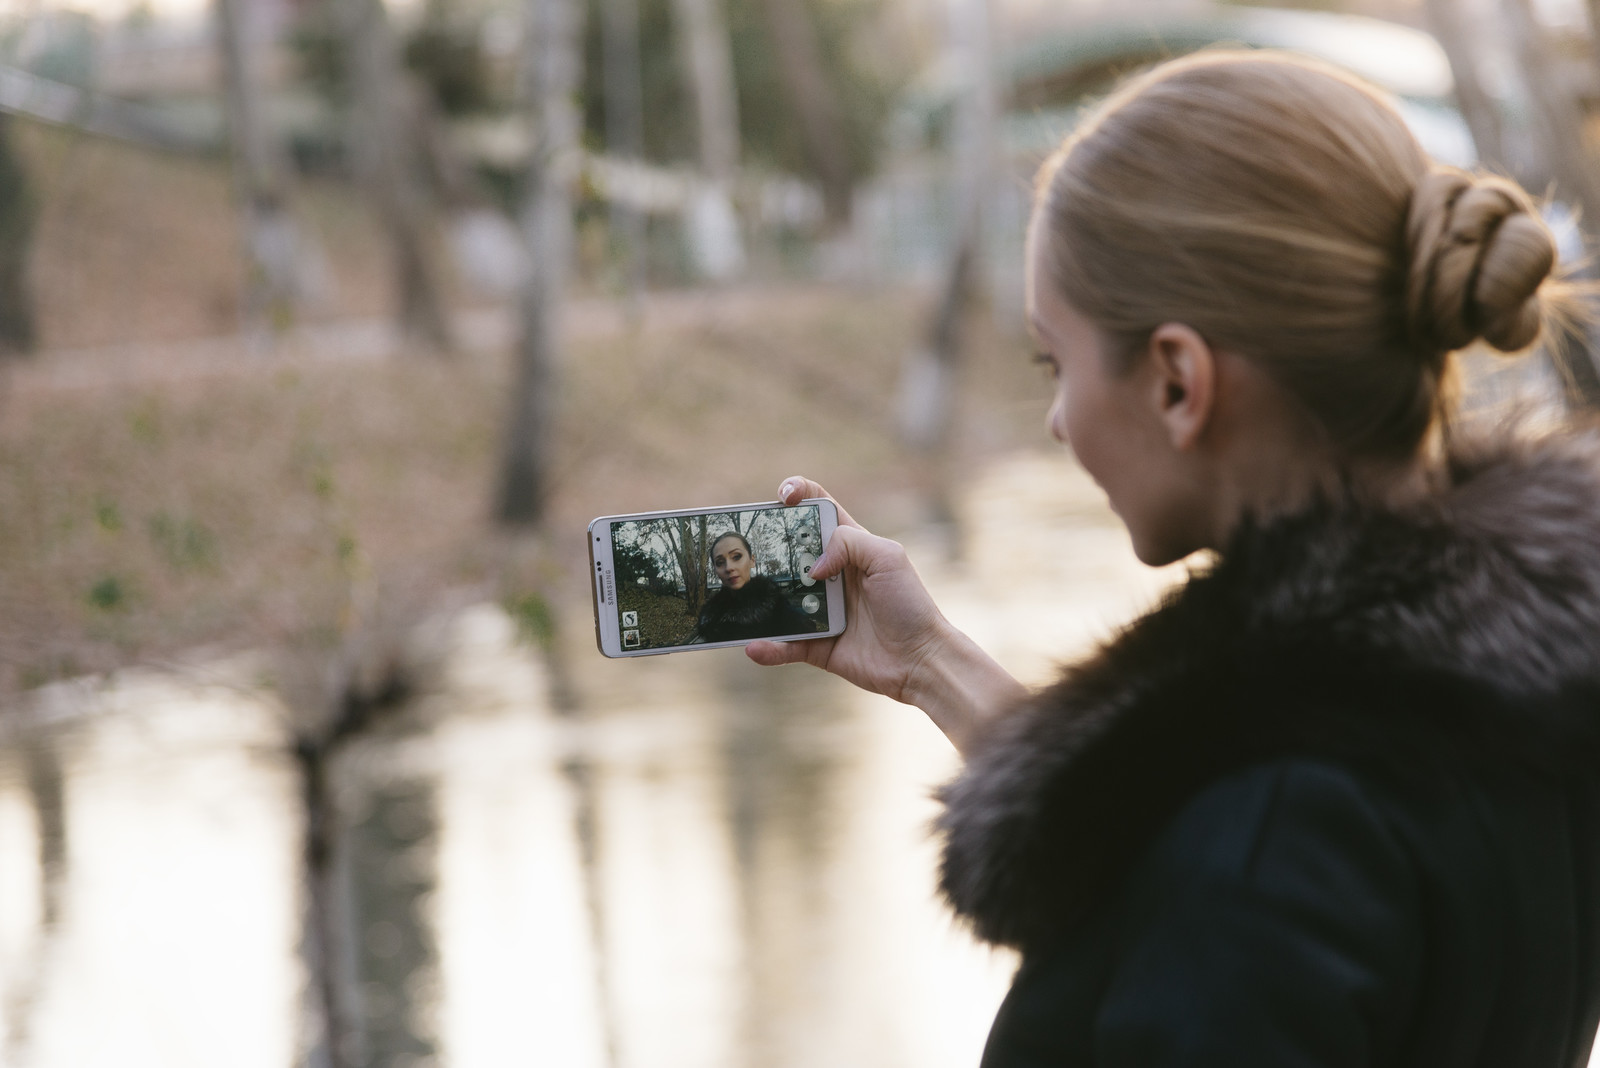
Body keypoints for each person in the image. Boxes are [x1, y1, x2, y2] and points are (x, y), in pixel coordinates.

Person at [749, 51, 1600, 1066]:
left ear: (1176, 385)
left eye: (1054, 364)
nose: (1059, 422)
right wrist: (930, 659)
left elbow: (1227, 854)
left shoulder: (1262, 846)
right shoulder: (1519, 685)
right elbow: (1200, 786)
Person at [695, 531, 819, 643]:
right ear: (716, 570)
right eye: (720, 563)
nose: (729, 568)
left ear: (752, 560)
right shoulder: (711, 622)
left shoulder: (781, 611)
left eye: (736, 557)